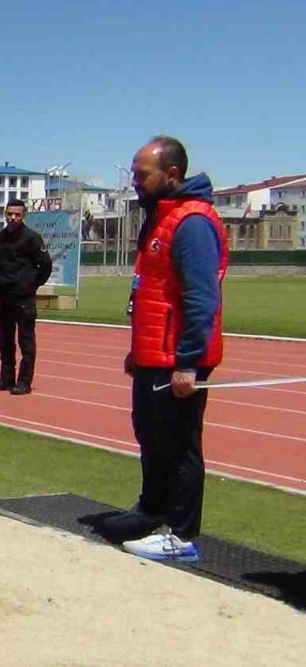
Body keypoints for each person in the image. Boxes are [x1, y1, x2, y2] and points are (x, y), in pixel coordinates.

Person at [118, 137, 226, 562]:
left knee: (180, 446)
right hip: (152, 354)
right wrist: (137, 350)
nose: (134, 181)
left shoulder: (192, 222)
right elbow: (150, 290)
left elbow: (201, 297)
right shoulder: (159, 216)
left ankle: (181, 536)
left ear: (172, 174)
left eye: (141, 174)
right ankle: (153, 509)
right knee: (149, 434)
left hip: (177, 358)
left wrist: (188, 362)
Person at [0, 199, 52, 395]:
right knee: (5, 340)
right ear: (5, 214)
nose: (13, 218)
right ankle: (6, 378)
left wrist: (32, 284)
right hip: (4, 295)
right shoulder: (2, 237)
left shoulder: (32, 237)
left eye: (17, 215)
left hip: (23, 298)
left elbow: (45, 264)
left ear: (23, 216)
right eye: (10, 214)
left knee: (26, 341)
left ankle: (24, 381)